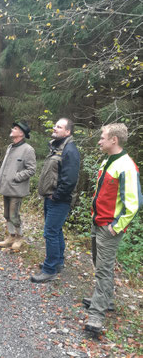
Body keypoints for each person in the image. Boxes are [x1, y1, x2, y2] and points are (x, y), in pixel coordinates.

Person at [84, 123, 142, 333]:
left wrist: (116, 228)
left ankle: (96, 316)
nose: (99, 140)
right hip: (97, 221)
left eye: (102, 137)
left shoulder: (127, 166)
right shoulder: (108, 160)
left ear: (113, 140)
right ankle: (105, 299)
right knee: (98, 264)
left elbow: (133, 204)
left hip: (109, 228)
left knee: (104, 270)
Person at [31, 118, 80, 283]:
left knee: (50, 232)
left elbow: (70, 179)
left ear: (67, 132)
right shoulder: (57, 147)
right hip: (51, 198)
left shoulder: (70, 150)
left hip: (59, 200)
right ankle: (57, 262)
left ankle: (49, 269)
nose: (55, 128)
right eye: (55, 125)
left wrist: (57, 196)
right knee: (56, 231)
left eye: (59, 127)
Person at [0, 121, 36, 250]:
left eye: (15, 128)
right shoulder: (10, 147)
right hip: (6, 187)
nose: (12, 129)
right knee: (7, 215)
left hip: (16, 189)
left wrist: (16, 177)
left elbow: (31, 169)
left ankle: (19, 238)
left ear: (21, 134)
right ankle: (11, 236)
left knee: (14, 215)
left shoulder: (28, 149)